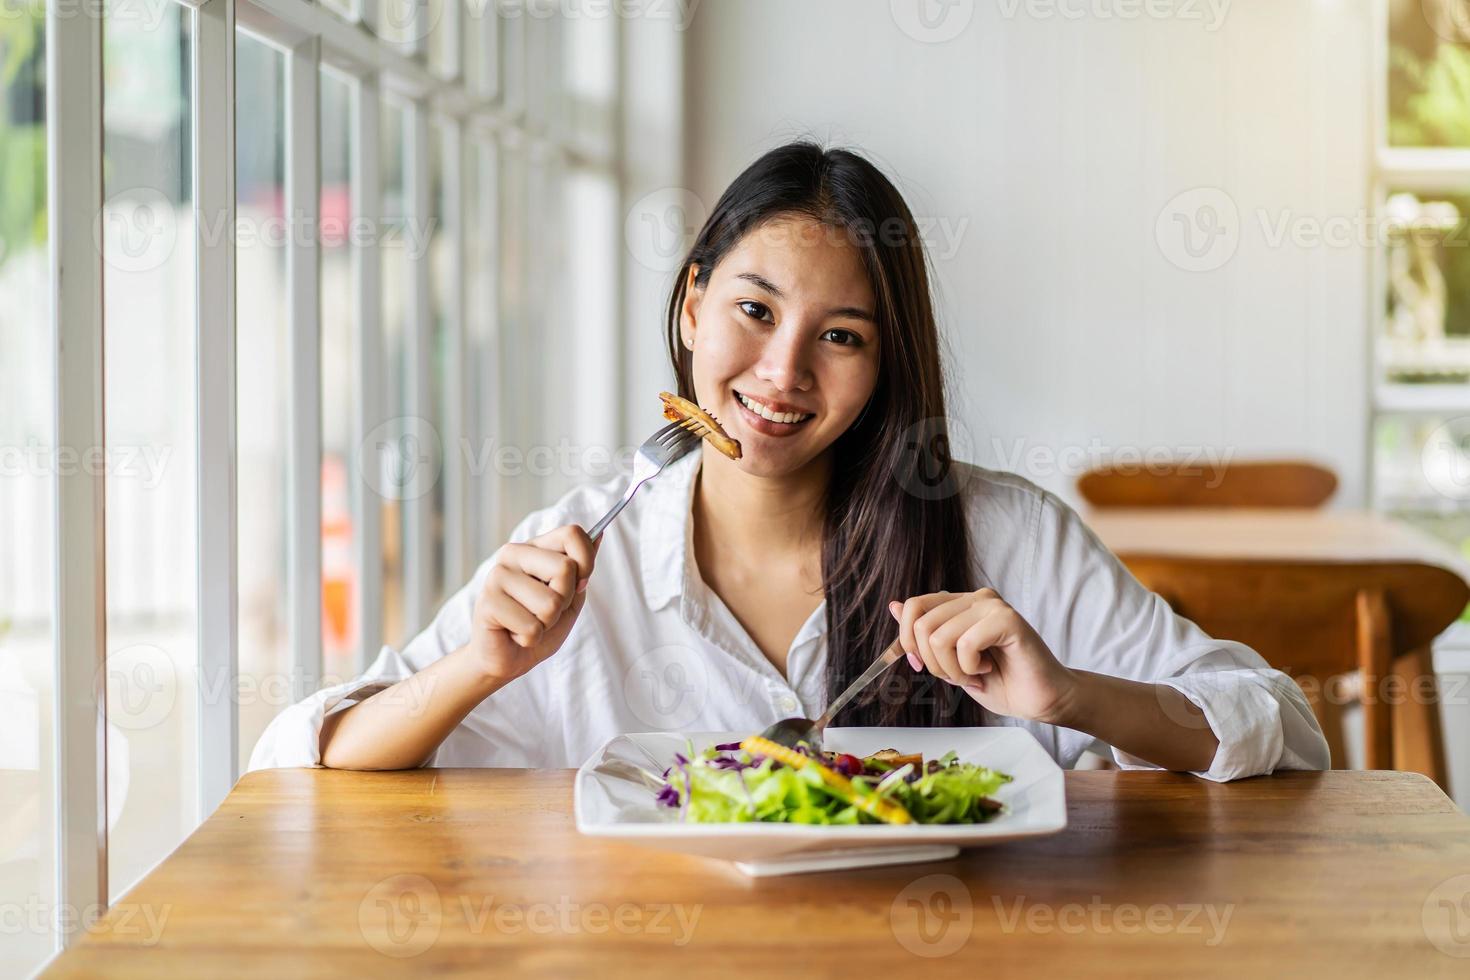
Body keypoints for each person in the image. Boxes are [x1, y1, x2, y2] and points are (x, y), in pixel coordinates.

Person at [249, 141, 1329, 779]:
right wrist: (479, 665)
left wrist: (1072, 696)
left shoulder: (1003, 535)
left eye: (842, 335)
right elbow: (307, 756)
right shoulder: (586, 548)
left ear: (886, 361)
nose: (782, 372)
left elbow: (1279, 722)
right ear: (692, 304)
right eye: (754, 310)